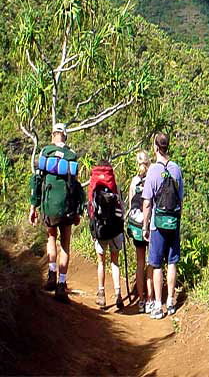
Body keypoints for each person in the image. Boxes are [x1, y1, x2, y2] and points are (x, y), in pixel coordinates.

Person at [29, 122, 84, 303]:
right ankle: (61, 285)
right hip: (67, 207)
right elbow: (75, 187)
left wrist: (33, 206)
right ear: (65, 136)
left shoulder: (45, 152)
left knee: (51, 238)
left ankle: (52, 274)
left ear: (53, 135)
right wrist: (78, 211)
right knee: (65, 244)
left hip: (49, 206)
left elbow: (37, 180)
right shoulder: (71, 155)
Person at [142, 133, 184, 319]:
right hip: (173, 222)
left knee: (157, 264)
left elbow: (147, 203)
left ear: (156, 147)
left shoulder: (152, 171)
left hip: (157, 224)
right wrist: (177, 221)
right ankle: (171, 301)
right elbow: (181, 200)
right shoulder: (176, 169)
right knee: (172, 262)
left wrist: (145, 226)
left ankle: (158, 305)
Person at [88, 159, 125, 310]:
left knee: (101, 262)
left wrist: (93, 230)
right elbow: (121, 208)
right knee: (114, 262)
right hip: (115, 229)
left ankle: (102, 295)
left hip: (100, 229)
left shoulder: (94, 184)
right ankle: (118, 294)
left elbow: (91, 209)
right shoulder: (114, 184)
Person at [127, 151, 154, 314]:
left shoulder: (134, 182)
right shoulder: (151, 180)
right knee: (152, 262)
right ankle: (151, 299)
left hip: (136, 225)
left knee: (140, 262)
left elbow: (131, 204)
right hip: (150, 224)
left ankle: (141, 299)